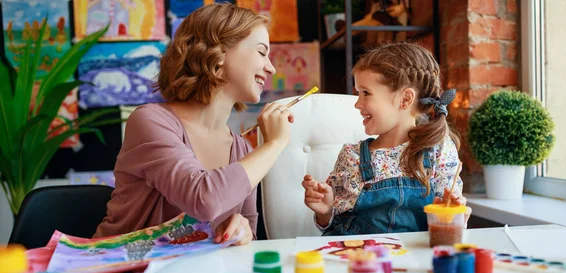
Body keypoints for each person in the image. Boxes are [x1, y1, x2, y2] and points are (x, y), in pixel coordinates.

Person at [94, 3, 293, 245]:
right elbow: (203, 199)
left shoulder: (241, 149)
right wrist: (275, 144)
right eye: (261, 52)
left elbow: (248, 234)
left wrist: (241, 232)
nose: (270, 67)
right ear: (217, 53)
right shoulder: (150, 121)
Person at [302, 42, 471, 236]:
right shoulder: (352, 156)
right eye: (358, 93)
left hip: (414, 259)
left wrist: (455, 213)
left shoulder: (438, 151)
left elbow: (449, 227)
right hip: (359, 259)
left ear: (405, 99)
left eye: (366, 93)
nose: (357, 103)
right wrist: (326, 211)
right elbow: (333, 226)